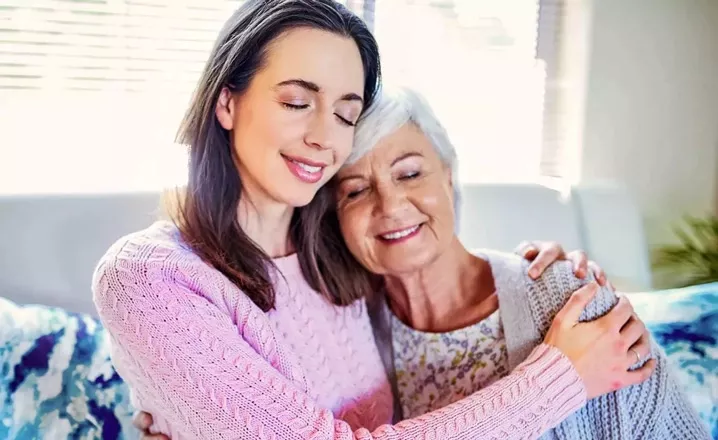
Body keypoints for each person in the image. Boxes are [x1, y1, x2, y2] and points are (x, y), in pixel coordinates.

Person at [92, 1, 655, 439]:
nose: (323, 136)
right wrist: (560, 377)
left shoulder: (337, 255)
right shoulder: (150, 278)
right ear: (227, 102)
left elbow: (436, 273)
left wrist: (538, 274)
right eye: (296, 101)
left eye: (344, 113)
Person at [322, 86, 707, 437]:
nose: (390, 205)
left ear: (449, 177)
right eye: (356, 191)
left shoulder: (568, 298)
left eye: (409, 173)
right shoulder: (350, 334)